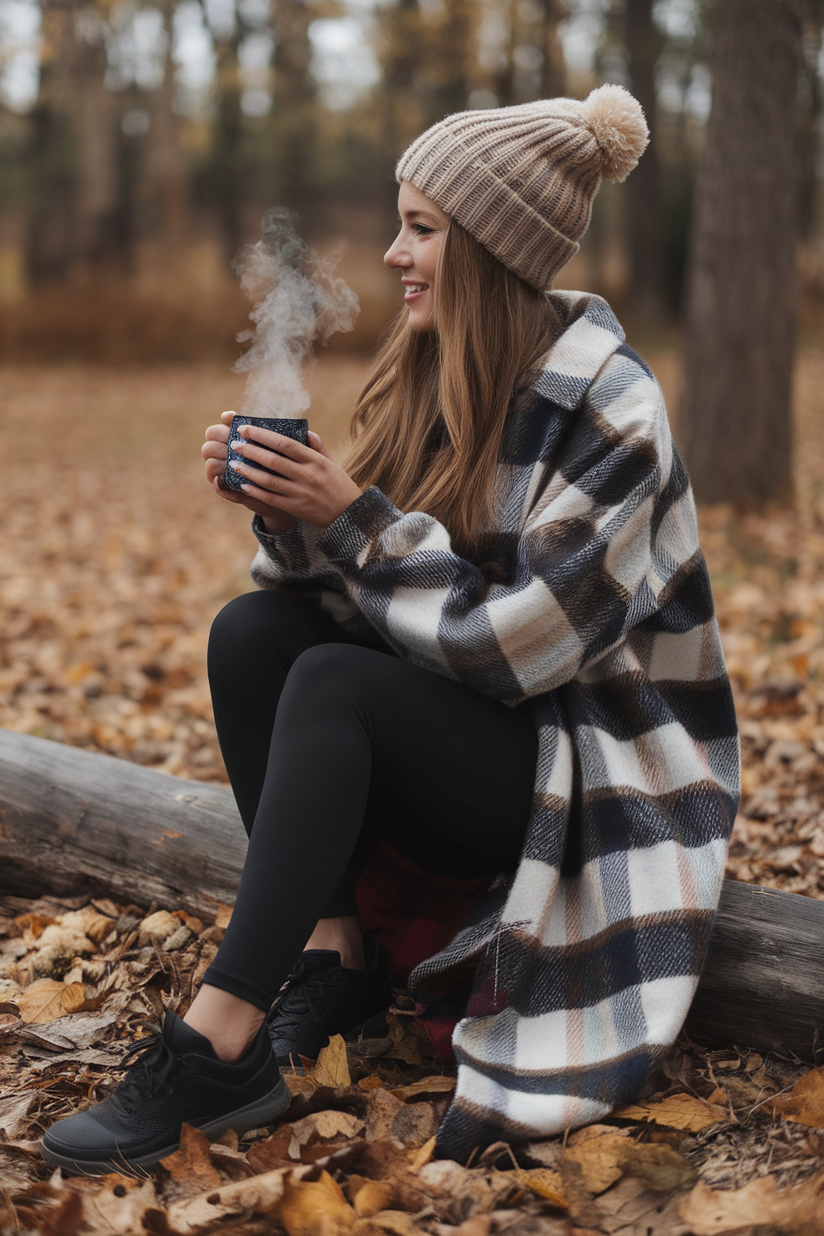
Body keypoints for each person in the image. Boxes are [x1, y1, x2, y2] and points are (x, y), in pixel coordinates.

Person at [41, 83, 739, 1174]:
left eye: (421, 228)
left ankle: (215, 1047)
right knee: (254, 635)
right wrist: (290, 517)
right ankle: (337, 953)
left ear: (494, 247)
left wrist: (350, 516)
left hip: (585, 774)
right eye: (398, 222)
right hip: (477, 737)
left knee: (331, 683)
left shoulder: (611, 408)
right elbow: (362, 594)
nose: (391, 253)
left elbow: (522, 652)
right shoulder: (425, 369)